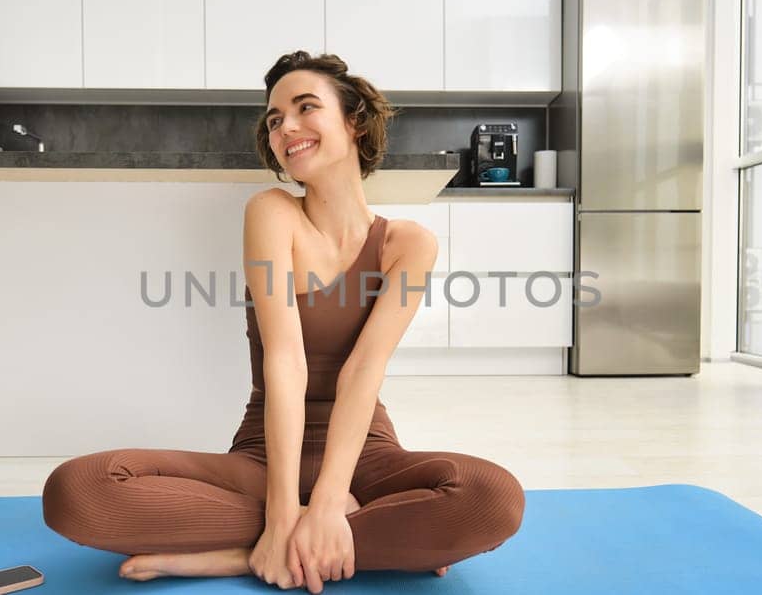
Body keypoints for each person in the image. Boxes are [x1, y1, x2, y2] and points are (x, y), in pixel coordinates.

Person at [41, 51, 525, 593]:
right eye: (274, 119)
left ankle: (241, 554)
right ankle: (360, 541)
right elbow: (286, 363)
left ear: (355, 122)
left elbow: (364, 370)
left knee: (493, 497)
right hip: (264, 457)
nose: (285, 127)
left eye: (305, 108)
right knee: (79, 490)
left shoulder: (408, 244)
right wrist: (282, 514)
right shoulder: (272, 212)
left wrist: (325, 501)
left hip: (366, 456)